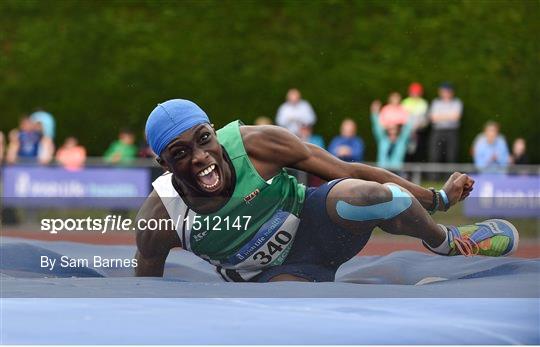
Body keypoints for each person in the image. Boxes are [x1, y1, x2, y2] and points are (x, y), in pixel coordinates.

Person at [134, 99, 518, 283]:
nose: (201, 158)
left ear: (215, 133)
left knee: (373, 194)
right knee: (295, 318)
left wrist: (440, 198)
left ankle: (447, 241)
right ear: (165, 165)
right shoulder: (160, 218)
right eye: (181, 153)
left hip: (321, 225)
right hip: (272, 275)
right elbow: (146, 293)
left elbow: (348, 169)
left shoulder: (258, 144)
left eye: (204, 140)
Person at [370, 100, 412, 169]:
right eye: (390, 129)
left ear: (398, 130)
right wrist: (374, 113)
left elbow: (408, 127)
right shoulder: (383, 140)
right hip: (382, 171)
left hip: (396, 172)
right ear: (387, 130)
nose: (392, 131)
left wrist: (408, 114)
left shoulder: (401, 141)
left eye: (394, 129)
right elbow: (377, 127)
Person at [428, 83, 463, 164]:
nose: (446, 94)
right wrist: (449, 116)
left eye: (448, 92)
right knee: (434, 154)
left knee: (452, 155)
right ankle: (434, 176)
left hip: (452, 131)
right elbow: (433, 118)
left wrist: (440, 117)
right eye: (444, 91)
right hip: (438, 131)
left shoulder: (457, 102)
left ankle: (452, 176)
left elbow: (456, 117)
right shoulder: (436, 102)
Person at [401, 82, 429, 161]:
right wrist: (409, 128)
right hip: (406, 132)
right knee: (405, 152)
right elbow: (403, 117)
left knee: (418, 152)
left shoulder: (423, 103)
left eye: (417, 93)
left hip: (419, 131)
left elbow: (424, 119)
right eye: (413, 92)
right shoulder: (405, 102)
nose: (415, 94)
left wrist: (416, 127)